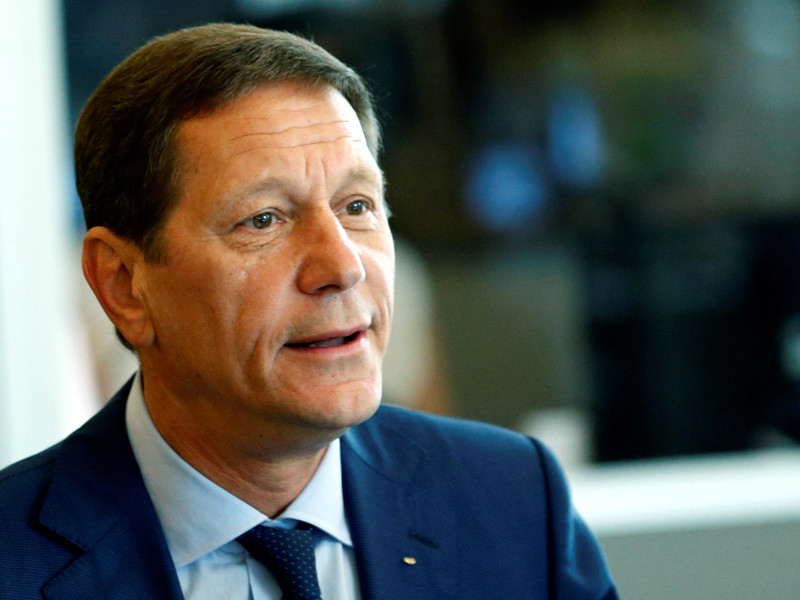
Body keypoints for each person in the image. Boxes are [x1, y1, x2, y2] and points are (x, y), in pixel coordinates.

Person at [0, 23, 617, 600]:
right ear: (124, 285)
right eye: (263, 220)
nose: (342, 266)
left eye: (357, 206)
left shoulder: (513, 501)